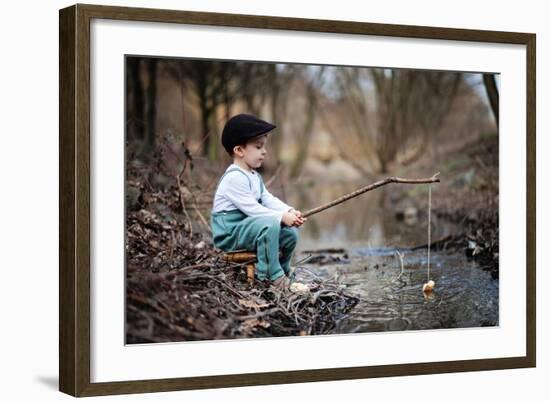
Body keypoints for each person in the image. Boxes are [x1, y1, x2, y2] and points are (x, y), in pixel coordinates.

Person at [210, 113, 306, 289]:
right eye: (258, 147)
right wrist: (281, 217)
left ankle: (283, 270)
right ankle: (271, 275)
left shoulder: (253, 176)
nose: (264, 151)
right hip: (230, 234)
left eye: (264, 146)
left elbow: (268, 199)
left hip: (247, 229)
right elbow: (253, 209)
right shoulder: (234, 178)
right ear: (239, 150)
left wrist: (289, 211)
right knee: (270, 224)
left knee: (290, 233)